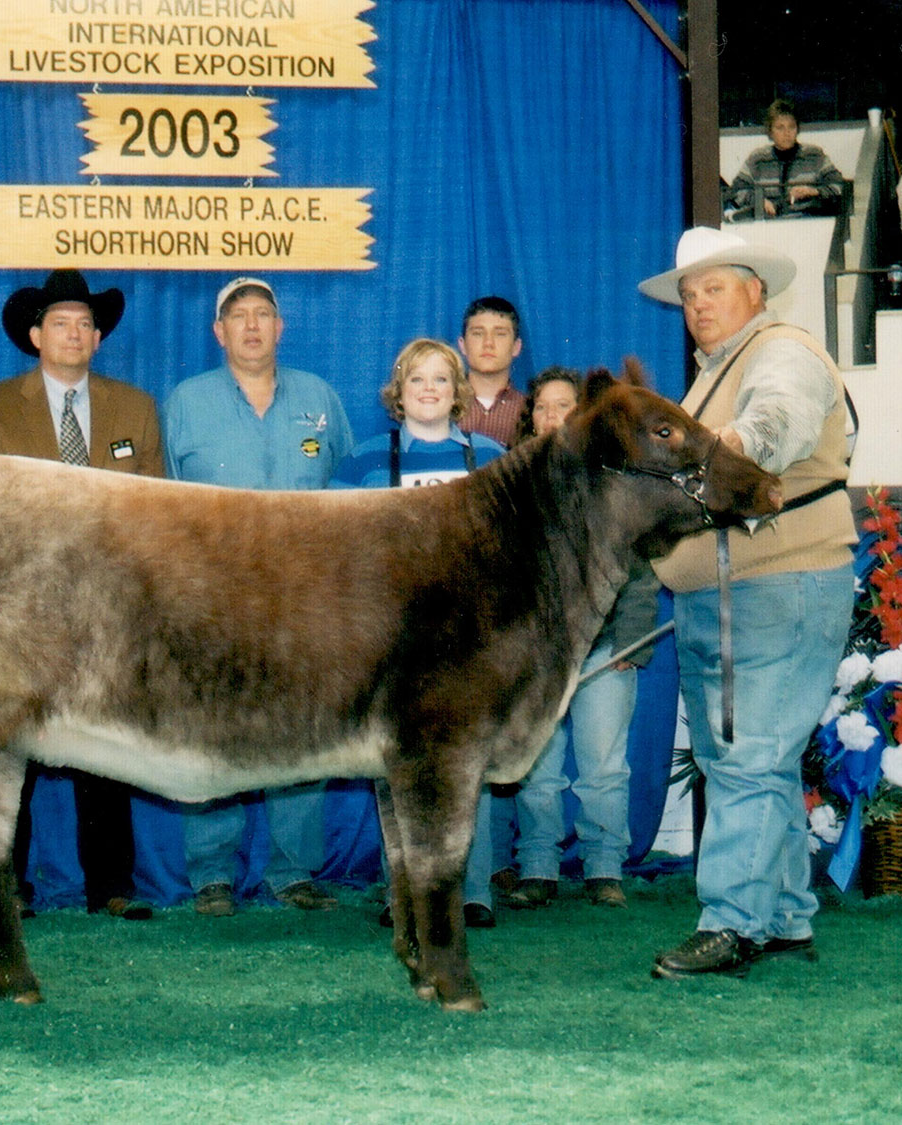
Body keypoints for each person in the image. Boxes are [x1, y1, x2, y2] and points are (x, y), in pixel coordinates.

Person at [640, 227, 854, 977]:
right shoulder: (717, 370)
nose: (699, 304)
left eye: (715, 288)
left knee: (751, 754)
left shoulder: (782, 352)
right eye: (690, 294)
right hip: (725, 591)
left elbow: (770, 433)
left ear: (756, 292)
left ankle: (732, 922)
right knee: (746, 755)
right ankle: (786, 914)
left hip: (777, 581)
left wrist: (662, 475)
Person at [0, 268, 160, 921]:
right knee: (12, 743)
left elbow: (152, 509)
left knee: (105, 744)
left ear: (99, 337)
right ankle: (7, 882)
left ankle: (111, 883)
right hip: (25, 606)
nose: (73, 333)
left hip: (107, 607)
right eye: (60, 322)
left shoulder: (135, 408)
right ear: (34, 334)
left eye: (85, 323)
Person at [164, 276, 354, 916]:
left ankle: (294, 871)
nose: (251, 326)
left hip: (307, 603)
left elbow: (353, 498)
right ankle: (212, 873)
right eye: (238, 317)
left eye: (263, 315)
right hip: (214, 601)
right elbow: (162, 505)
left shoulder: (320, 399)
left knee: (304, 731)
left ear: (281, 328)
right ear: (219, 333)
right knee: (214, 731)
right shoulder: (186, 402)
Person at [331, 338, 505, 928]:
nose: (428, 390)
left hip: (469, 640)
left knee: (464, 765)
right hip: (392, 637)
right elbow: (338, 555)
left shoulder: (491, 458)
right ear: (397, 394)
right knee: (395, 766)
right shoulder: (363, 462)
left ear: (457, 392)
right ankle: (401, 892)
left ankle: (471, 890)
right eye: (416, 381)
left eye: (439, 380)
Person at [506, 368, 660, 911]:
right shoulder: (513, 483)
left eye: (564, 405)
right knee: (538, 769)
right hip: (537, 657)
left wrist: (632, 643)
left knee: (603, 766)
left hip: (603, 646)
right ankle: (539, 866)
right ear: (530, 417)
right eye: (542, 407)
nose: (553, 416)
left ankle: (603, 867)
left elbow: (639, 569)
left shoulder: (613, 477)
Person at [728, 99, 845, 221]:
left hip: (807, 226)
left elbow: (839, 186)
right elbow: (736, 190)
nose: (787, 133)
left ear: (797, 129)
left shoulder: (814, 156)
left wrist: (813, 191)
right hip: (768, 228)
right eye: (780, 128)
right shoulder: (757, 159)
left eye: (791, 127)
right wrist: (759, 201)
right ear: (770, 131)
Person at [457, 296, 527, 448]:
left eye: (500, 334)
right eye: (478, 333)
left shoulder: (530, 410)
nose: (488, 343)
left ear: (516, 346)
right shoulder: (442, 404)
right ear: (462, 345)